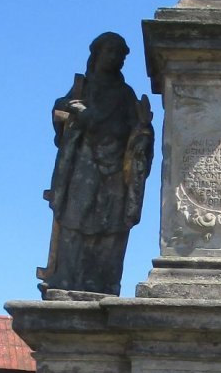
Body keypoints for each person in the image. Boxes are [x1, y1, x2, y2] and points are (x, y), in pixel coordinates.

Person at [38, 32, 154, 297]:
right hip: (85, 163)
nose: (116, 59)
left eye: (121, 56)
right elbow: (61, 113)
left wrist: (142, 130)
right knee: (75, 217)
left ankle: (103, 281)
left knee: (112, 224)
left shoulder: (125, 94)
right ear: (97, 54)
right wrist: (69, 110)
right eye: (111, 52)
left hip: (115, 170)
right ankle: (67, 278)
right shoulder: (83, 88)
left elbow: (135, 131)